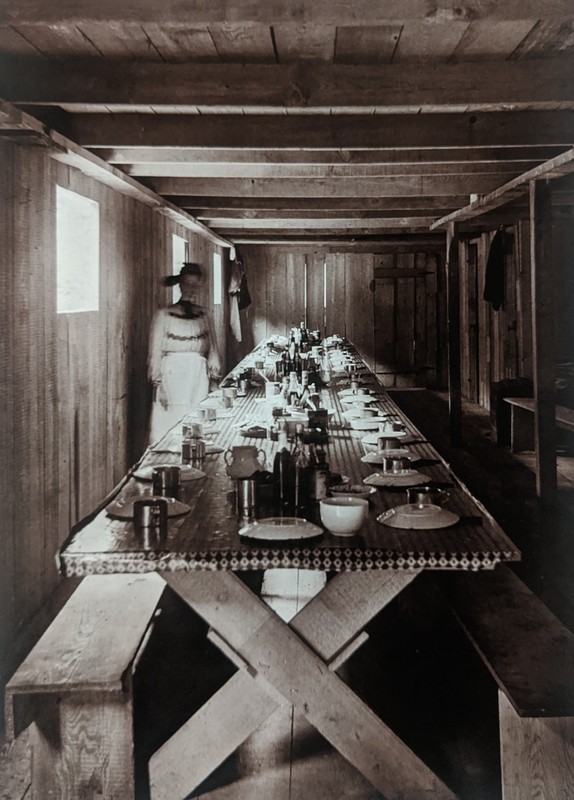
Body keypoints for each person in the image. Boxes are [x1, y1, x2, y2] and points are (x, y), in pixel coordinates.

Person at [148, 262, 221, 444]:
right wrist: (158, 385)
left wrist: (214, 378)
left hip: (197, 376)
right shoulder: (164, 315)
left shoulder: (205, 315)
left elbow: (212, 347)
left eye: (195, 285)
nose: (191, 289)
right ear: (180, 284)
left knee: (196, 421)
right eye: (188, 284)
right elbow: (155, 351)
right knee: (169, 424)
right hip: (172, 377)